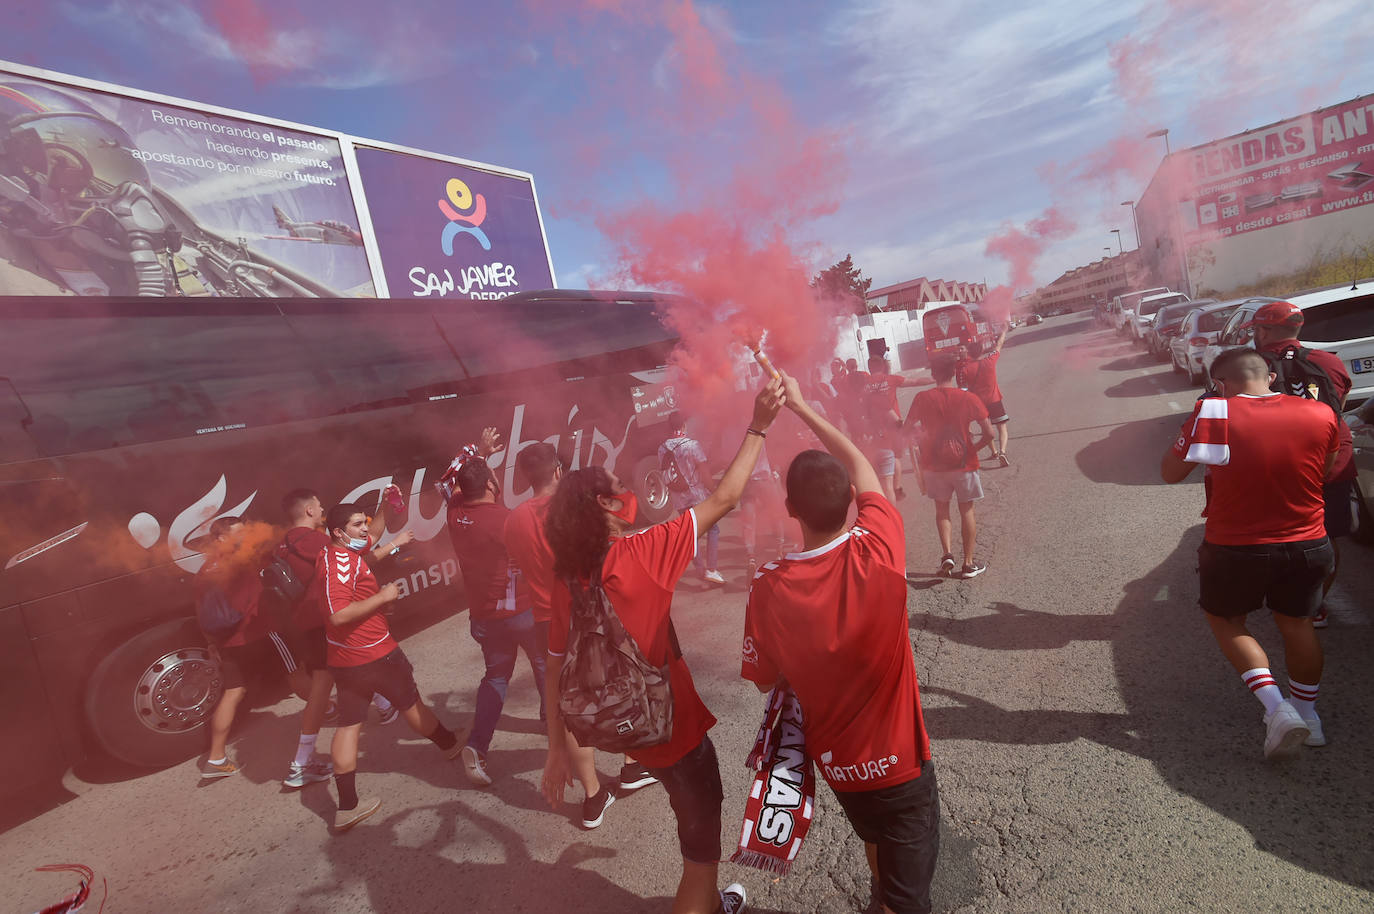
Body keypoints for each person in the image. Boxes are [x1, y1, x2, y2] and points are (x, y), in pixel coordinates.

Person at [540, 378, 786, 914]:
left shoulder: (570, 577)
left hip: (633, 736)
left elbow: (554, 669)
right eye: (616, 488)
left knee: (688, 822)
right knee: (698, 859)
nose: (628, 491)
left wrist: (557, 749)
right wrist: (760, 424)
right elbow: (726, 497)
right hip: (675, 727)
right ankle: (707, 903)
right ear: (606, 505)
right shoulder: (643, 552)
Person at [741, 371, 940, 914]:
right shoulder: (878, 546)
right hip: (901, 768)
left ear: (790, 510)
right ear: (852, 499)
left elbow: (763, 679)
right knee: (909, 900)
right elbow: (862, 465)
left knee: (876, 848)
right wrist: (804, 408)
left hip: (840, 769)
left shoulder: (766, 588)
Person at [1160, 348, 1338, 759]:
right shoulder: (1319, 412)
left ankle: (1277, 708)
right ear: (1270, 377)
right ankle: (1309, 718)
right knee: (1298, 624)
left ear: (1220, 385)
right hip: (1309, 541)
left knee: (1226, 620)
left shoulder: (1214, 413)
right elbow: (1325, 470)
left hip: (1235, 545)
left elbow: (1171, 473)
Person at [505, 443, 644, 828]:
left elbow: (517, 562)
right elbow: (624, 515)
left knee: (569, 709)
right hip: (587, 610)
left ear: (525, 476)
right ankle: (632, 769)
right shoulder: (576, 507)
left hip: (545, 621)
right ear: (557, 471)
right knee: (619, 686)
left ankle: (593, 796)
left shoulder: (512, 520)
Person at [319, 502, 465, 832]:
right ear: (339, 532)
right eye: (358, 525)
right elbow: (338, 614)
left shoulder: (336, 553)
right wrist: (383, 598)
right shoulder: (339, 565)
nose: (365, 530)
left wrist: (385, 510)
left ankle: (347, 807)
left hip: (344, 660)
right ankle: (449, 743)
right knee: (410, 704)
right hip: (375, 654)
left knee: (349, 725)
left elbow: (365, 553)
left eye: (364, 522)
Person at [275, 488, 414, 789]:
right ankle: (300, 764)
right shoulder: (315, 541)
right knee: (324, 689)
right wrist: (395, 541)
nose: (322, 507)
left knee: (349, 672)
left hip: (308, 623)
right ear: (310, 510)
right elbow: (369, 549)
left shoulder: (286, 542)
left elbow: (364, 542)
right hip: (324, 622)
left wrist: (382, 511)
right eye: (319, 504)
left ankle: (385, 705)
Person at [1242, 300, 1356, 627]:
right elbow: (1338, 408)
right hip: (1330, 464)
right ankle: (1315, 606)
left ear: (1263, 331)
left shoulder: (1247, 367)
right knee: (1326, 537)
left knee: (1276, 538)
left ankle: (1280, 600)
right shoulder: (1328, 362)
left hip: (1273, 471)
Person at [446, 428, 548, 788]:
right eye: (492, 475)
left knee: (496, 678)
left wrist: (478, 451)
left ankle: (477, 746)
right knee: (543, 664)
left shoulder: (455, 511)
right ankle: (554, 724)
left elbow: (451, 477)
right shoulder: (506, 519)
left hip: (484, 619)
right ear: (491, 485)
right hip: (521, 613)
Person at [197, 517, 277, 780]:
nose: (247, 537)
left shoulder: (206, 568)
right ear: (221, 539)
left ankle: (216, 758)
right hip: (254, 636)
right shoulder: (241, 563)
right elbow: (257, 599)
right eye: (240, 533)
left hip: (225, 642)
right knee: (296, 671)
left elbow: (201, 610)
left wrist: (210, 642)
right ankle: (326, 713)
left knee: (232, 693)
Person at [906, 358, 993, 578]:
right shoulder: (968, 398)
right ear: (953, 373)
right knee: (967, 511)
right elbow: (990, 434)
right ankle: (968, 564)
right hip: (964, 464)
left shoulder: (921, 398)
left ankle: (947, 554)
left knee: (942, 510)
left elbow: (908, 429)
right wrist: (972, 449)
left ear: (933, 374)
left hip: (934, 465)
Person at [659, 412, 725, 584]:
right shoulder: (692, 445)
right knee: (713, 529)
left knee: (691, 534)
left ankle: (700, 568)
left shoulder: (662, 448)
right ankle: (711, 569)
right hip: (697, 496)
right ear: (684, 425)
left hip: (680, 500)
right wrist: (714, 490)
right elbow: (704, 472)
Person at [860, 355, 932, 500]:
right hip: (894, 423)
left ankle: (888, 487)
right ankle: (896, 488)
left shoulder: (864, 384)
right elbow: (915, 381)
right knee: (895, 456)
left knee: (883, 457)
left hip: (874, 427)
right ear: (882, 366)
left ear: (869, 367)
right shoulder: (890, 379)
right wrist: (936, 379)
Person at [957, 326, 1010, 465]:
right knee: (1002, 427)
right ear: (981, 351)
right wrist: (1004, 330)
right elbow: (999, 345)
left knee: (986, 430)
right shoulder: (990, 361)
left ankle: (994, 452)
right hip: (995, 400)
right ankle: (1002, 452)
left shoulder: (965, 369)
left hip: (979, 404)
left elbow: (963, 390)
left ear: (969, 353)